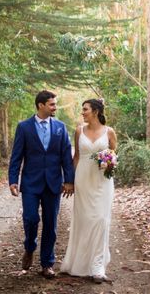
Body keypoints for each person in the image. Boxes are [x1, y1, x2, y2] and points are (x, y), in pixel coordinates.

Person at [8, 90, 75, 279]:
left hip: (53, 183)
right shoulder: (24, 127)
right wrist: (13, 180)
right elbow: (16, 156)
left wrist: (69, 180)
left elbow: (66, 157)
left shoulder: (61, 128)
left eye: (55, 104)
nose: (55, 107)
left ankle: (47, 264)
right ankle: (29, 247)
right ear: (41, 105)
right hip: (30, 182)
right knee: (30, 219)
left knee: (50, 225)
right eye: (52, 104)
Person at [60, 98, 117, 284]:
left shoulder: (109, 132)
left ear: (96, 111)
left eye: (85, 109)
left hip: (102, 181)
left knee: (101, 220)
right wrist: (69, 181)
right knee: (84, 220)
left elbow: (114, 156)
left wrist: (109, 163)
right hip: (83, 179)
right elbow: (76, 157)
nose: (82, 112)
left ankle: (98, 266)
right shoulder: (79, 130)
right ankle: (79, 263)